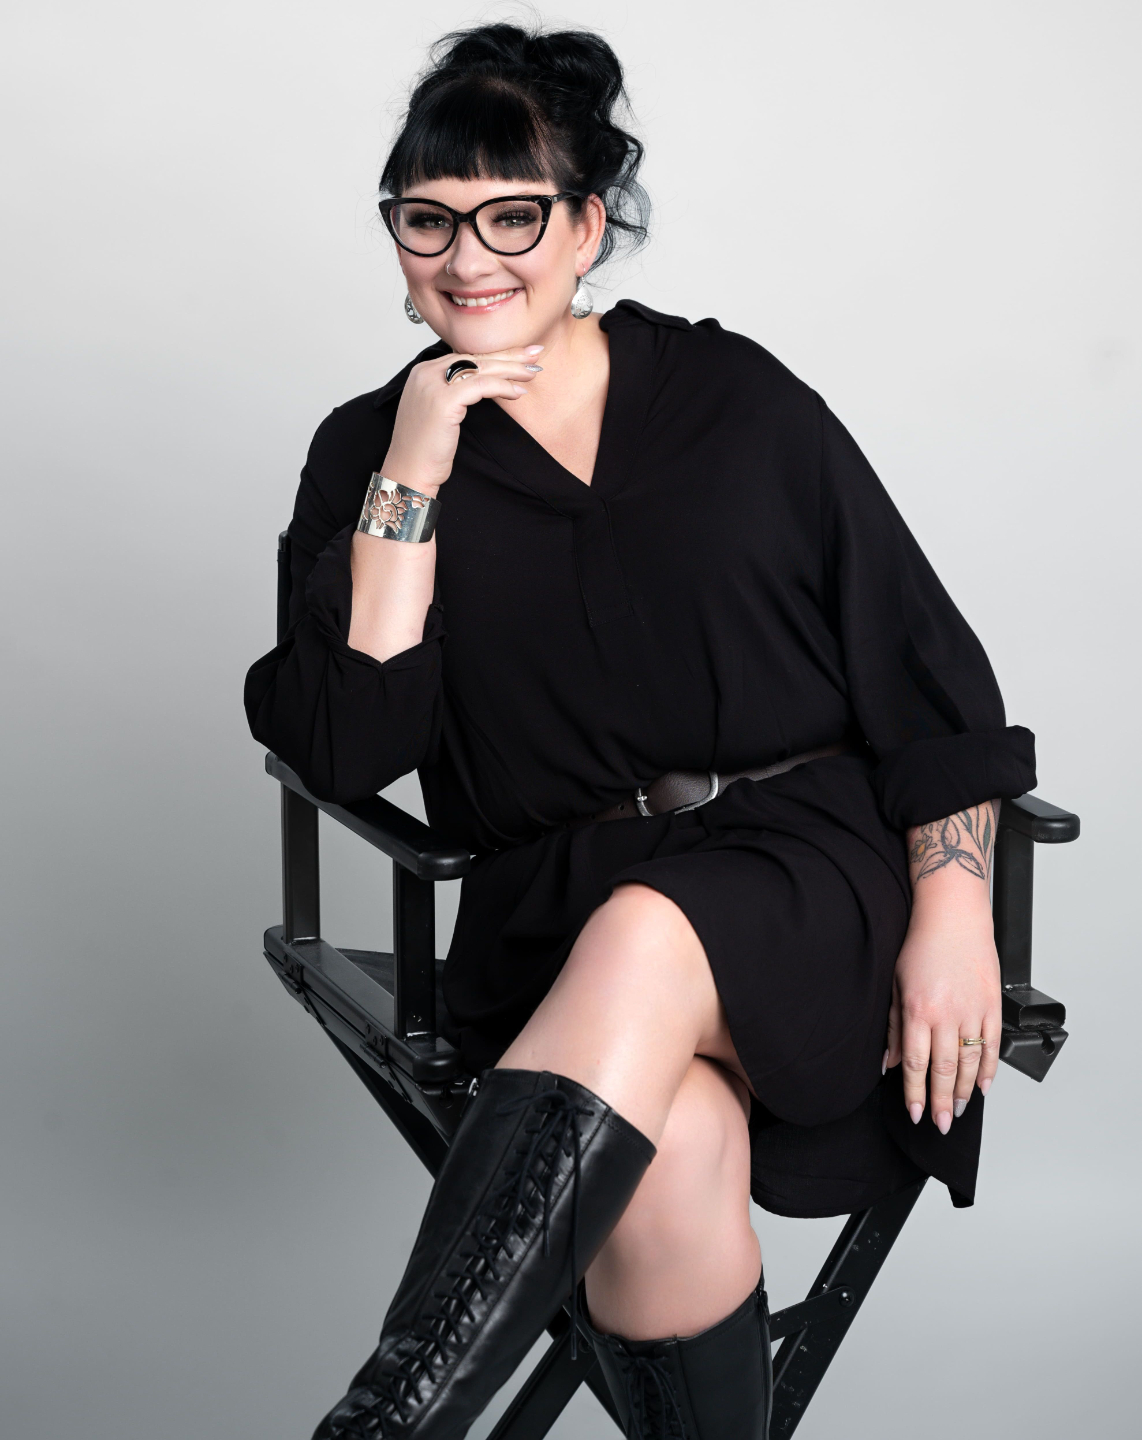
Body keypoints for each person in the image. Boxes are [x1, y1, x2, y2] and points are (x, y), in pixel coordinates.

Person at [244, 21, 1036, 1440]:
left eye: (511, 215)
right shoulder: (364, 448)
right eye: (427, 220)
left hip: (810, 873)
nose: (467, 258)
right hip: (553, 907)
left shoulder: (733, 397)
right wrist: (410, 475)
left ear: (587, 224)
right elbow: (348, 746)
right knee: (673, 1160)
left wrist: (955, 911)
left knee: (651, 932)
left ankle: (382, 1424)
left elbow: (923, 669)